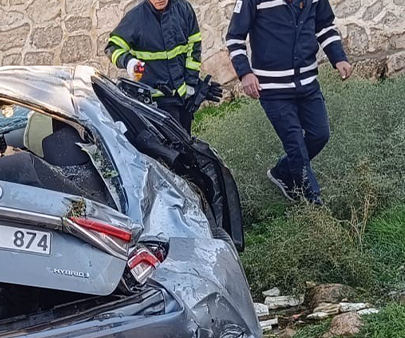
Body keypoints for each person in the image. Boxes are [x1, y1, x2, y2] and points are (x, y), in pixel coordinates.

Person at [226, 0, 353, 204]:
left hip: (307, 84)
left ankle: (281, 172)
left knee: (320, 134)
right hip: (272, 89)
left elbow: (325, 27)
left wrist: (338, 58)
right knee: (296, 145)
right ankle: (313, 203)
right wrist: (245, 73)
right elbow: (234, 38)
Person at [105, 0, 204, 130]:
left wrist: (191, 83)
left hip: (182, 96)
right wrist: (129, 62)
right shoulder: (136, 18)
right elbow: (112, 48)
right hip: (156, 101)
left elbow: (194, 46)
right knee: (170, 148)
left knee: (186, 143)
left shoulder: (184, 9)